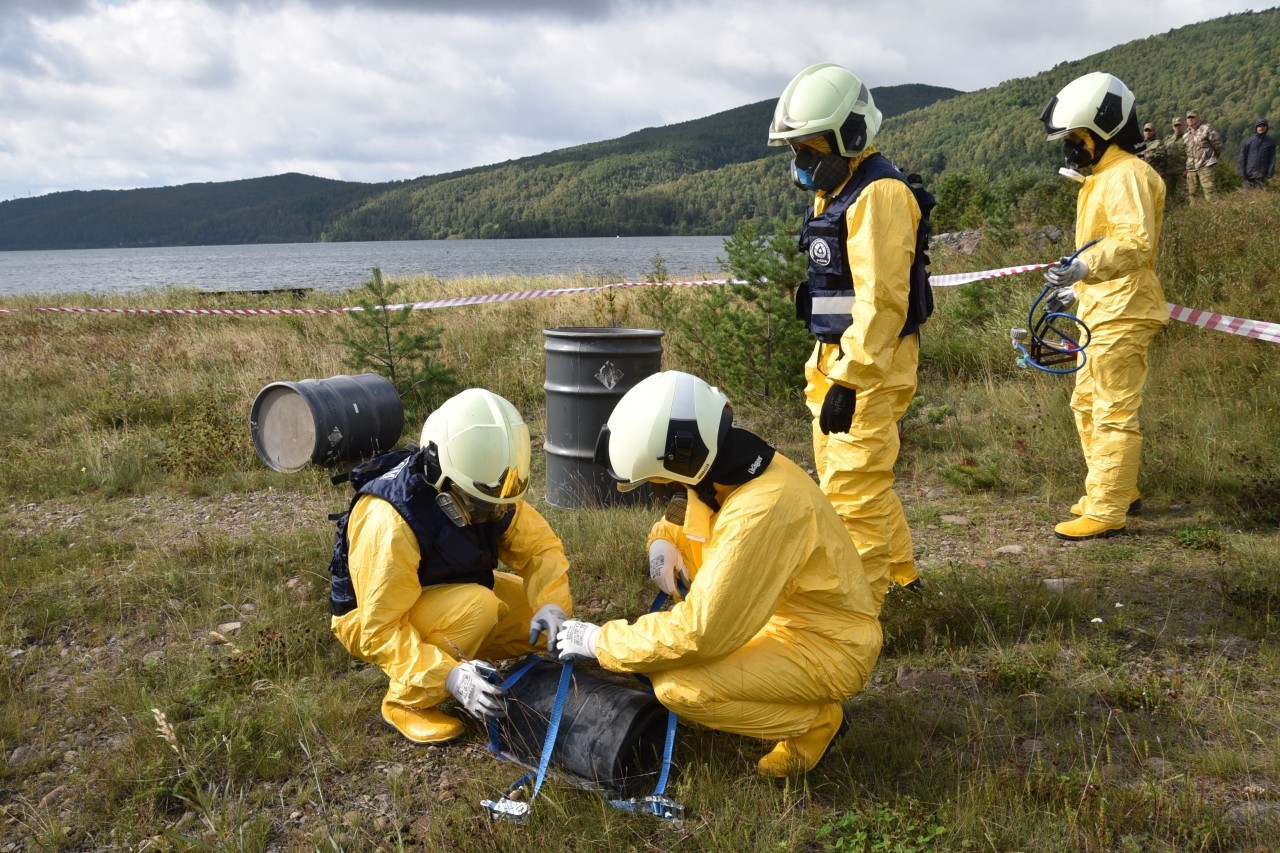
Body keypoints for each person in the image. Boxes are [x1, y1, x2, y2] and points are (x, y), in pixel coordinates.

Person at [556, 371, 882, 778]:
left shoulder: (761, 511)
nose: (662, 494)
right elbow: (685, 514)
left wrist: (599, 640)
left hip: (830, 647)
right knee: (662, 660)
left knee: (680, 688)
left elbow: (700, 632)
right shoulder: (729, 470)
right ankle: (798, 707)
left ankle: (816, 723)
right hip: (779, 623)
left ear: (684, 458)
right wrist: (662, 542)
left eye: (660, 483)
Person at [763, 62, 930, 611]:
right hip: (838, 357)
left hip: (869, 365)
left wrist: (851, 380)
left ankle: (860, 611)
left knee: (853, 490)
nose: (803, 162)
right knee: (854, 477)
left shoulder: (878, 194)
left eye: (811, 149)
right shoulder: (840, 187)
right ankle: (900, 572)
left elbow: (883, 304)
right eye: (798, 151)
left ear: (849, 136)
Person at [329, 388, 574, 744]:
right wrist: (449, 677)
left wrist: (552, 605)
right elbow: (378, 631)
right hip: (372, 617)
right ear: (437, 472)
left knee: (530, 612)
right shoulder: (391, 520)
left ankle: (462, 646)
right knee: (481, 607)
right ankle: (405, 703)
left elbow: (539, 550)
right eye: (477, 505)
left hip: (448, 589)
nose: (488, 516)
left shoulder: (487, 487)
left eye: (496, 506)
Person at [1039, 72, 1169, 540]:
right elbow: (1099, 245)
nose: (1071, 148)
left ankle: (1108, 508)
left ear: (1103, 131)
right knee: (1086, 402)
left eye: (1076, 139)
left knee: (1113, 408)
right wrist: (1073, 284)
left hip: (1125, 309)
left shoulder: (1129, 176)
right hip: (1099, 306)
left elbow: (1134, 242)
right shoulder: (1102, 177)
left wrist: (1084, 266)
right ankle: (1116, 487)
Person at [1183, 109, 1223, 203]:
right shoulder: (1186, 135)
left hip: (1205, 165)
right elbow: (1186, 151)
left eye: (1193, 117)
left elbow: (1217, 145)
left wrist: (1212, 158)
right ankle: (1195, 215)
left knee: (1210, 191)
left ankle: (1215, 215)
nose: (1191, 119)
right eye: (1189, 117)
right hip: (1191, 168)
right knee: (1192, 193)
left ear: (1198, 118)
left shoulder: (1206, 129)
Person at [1238, 118, 1276, 191]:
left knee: (1259, 198)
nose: (1261, 128)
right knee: (1247, 197)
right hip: (1248, 175)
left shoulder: (1271, 142)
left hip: (1261, 175)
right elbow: (1242, 158)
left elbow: (1272, 159)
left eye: (1263, 126)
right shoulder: (1249, 141)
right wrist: (1242, 173)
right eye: (1260, 126)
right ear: (1256, 128)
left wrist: (1270, 173)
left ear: (1266, 127)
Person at [1162, 116, 1188, 204]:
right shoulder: (1167, 140)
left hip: (1182, 172)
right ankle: (1170, 213)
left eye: (1179, 125)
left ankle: (1185, 214)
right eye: (1175, 125)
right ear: (1173, 127)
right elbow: (1163, 156)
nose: (1177, 127)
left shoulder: (1187, 138)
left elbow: (1192, 155)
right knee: (1167, 195)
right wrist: (1162, 170)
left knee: (1184, 195)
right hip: (1169, 172)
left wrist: (1188, 169)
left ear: (1183, 125)